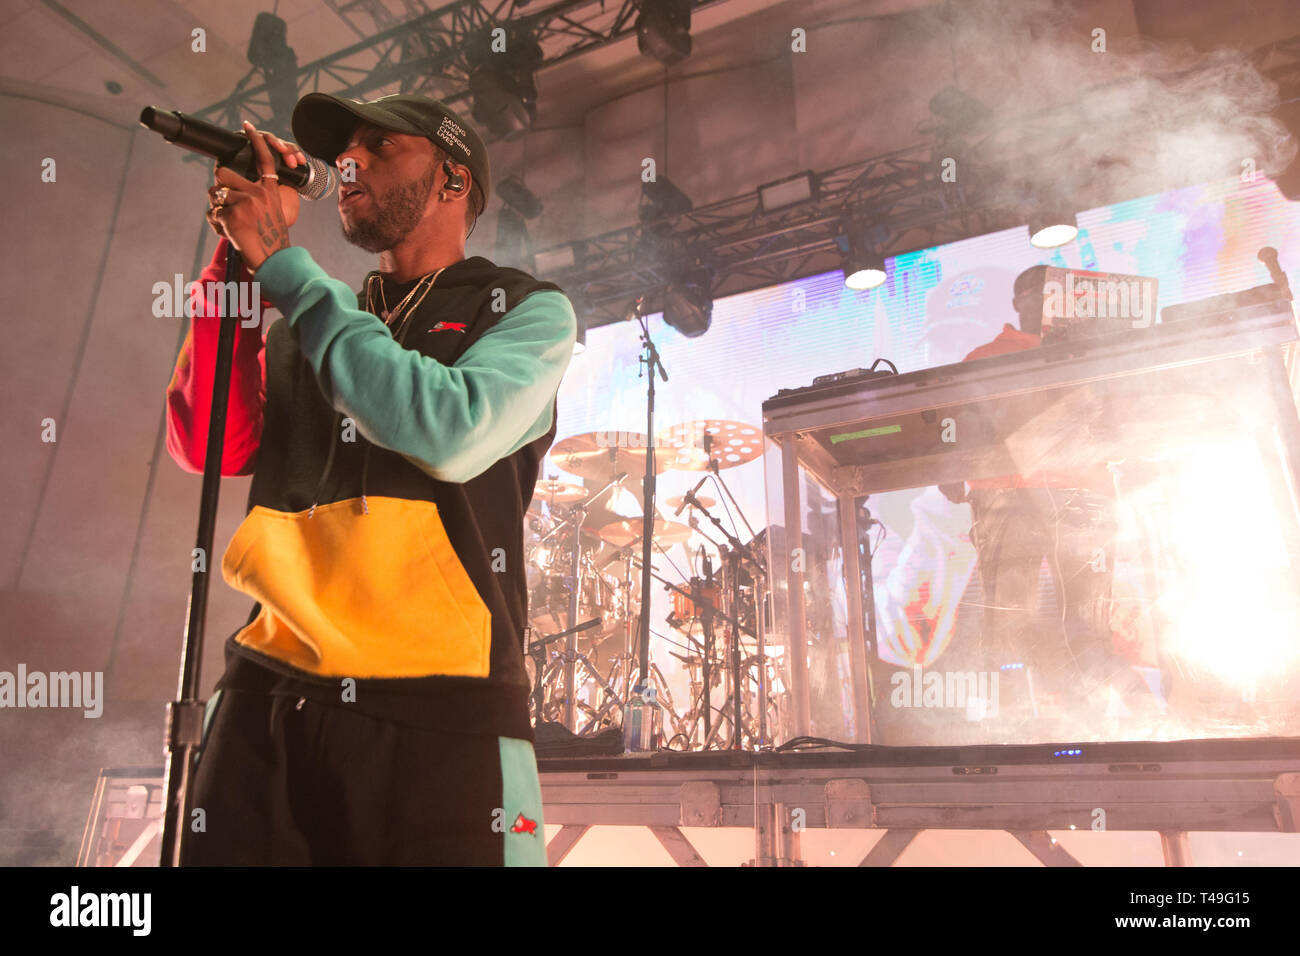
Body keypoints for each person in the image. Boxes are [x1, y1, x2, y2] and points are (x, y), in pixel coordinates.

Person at [163, 92, 576, 864]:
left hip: (439, 708)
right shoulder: (310, 322)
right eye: (344, 151)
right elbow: (206, 444)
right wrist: (236, 257)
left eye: (381, 147)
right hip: (267, 690)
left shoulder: (525, 311)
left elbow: (447, 433)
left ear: (453, 180)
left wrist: (286, 268)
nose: (348, 162)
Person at [939, 266, 1131, 724]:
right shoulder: (985, 355)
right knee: (1008, 615)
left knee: (1090, 614)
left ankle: (1096, 717)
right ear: (1018, 300)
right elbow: (953, 417)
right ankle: (1013, 722)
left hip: (1083, 493)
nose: (1050, 301)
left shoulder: (1094, 349)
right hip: (1009, 494)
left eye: (1059, 294)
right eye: (1040, 293)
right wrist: (948, 465)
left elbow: (1123, 411)